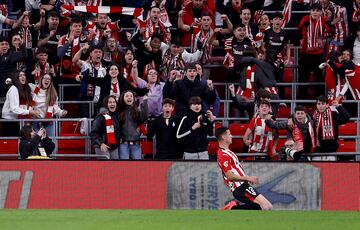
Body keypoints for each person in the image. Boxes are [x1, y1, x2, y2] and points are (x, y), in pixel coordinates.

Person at [215, 126, 273, 210]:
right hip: (240, 187)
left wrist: (246, 180)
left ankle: (233, 207)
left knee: (263, 206)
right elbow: (230, 176)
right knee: (266, 207)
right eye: (229, 134)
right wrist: (248, 178)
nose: (232, 136)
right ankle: (232, 209)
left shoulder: (228, 152)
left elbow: (236, 171)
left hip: (243, 185)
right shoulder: (223, 155)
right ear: (223, 137)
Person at [312, 95, 350, 160]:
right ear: (316, 105)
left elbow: (346, 118)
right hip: (317, 149)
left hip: (331, 150)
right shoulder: (313, 116)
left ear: (327, 105)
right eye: (319, 104)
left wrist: (338, 106)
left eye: (323, 104)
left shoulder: (333, 114)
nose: (320, 106)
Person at [118, 90, 148, 160]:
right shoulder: (119, 111)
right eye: (127, 96)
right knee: (124, 166)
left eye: (131, 96)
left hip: (136, 144)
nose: (129, 97)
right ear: (122, 98)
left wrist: (145, 103)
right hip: (123, 144)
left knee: (137, 167)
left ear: (134, 99)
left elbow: (144, 117)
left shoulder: (137, 111)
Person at [90, 95, 120, 160]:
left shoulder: (116, 116)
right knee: (104, 168)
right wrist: (101, 143)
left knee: (115, 167)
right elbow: (93, 133)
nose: (112, 104)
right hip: (102, 146)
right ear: (106, 104)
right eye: (110, 102)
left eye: (114, 102)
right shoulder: (100, 117)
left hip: (114, 147)